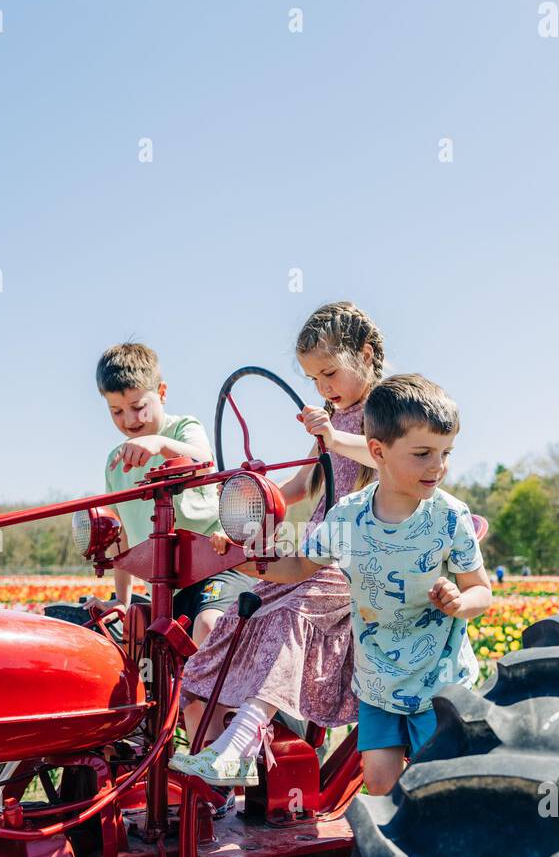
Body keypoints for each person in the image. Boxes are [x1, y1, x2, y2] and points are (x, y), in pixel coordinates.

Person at [181, 373, 492, 797]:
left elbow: (482, 590)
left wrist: (460, 601)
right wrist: (251, 563)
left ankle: (433, 854)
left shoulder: (450, 517)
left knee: (438, 787)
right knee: (380, 782)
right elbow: (298, 567)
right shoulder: (348, 517)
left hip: (438, 679)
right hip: (379, 680)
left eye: (445, 452)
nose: (438, 466)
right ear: (377, 452)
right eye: (423, 454)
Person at [172, 300, 385, 785]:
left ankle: (240, 744)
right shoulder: (332, 419)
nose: (323, 388)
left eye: (330, 372)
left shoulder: (385, 409)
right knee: (230, 620)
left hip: (357, 553)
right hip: (313, 548)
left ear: (366, 354)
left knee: (291, 616)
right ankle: (225, 758)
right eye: (314, 379)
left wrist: (331, 435)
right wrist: (249, 501)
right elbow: (301, 487)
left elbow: (386, 456)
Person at [97, 342, 251, 644]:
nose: (129, 421)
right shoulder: (116, 463)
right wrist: (122, 600)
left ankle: (216, 691)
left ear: (162, 393)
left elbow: (202, 461)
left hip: (217, 566)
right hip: (165, 586)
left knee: (208, 626)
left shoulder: (182, 429)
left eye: (139, 407)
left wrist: (159, 443)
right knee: (141, 646)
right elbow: (122, 538)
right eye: (116, 411)